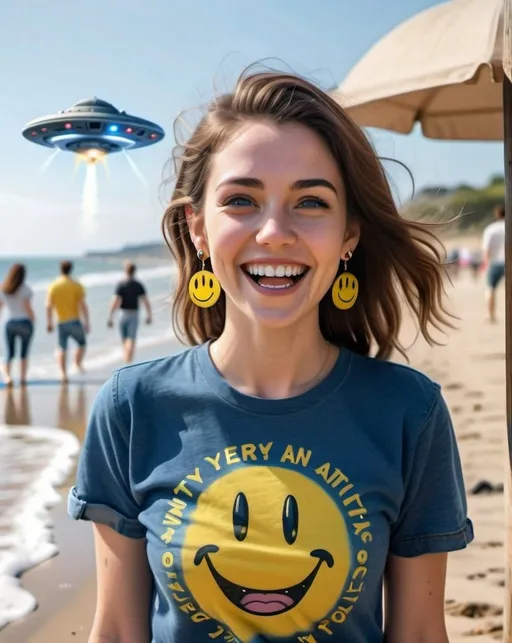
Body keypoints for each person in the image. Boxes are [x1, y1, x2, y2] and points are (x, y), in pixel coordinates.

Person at [68, 69, 473, 643]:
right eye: (241, 201)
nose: (275, 232)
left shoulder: (410, 413)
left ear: (349, 233)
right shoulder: (132, 407)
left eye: (311, 201)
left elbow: (421, 634)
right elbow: (114, 632)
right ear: (198, 227)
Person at [46, 260, 90, 382]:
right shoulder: (76, 285)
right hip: (75, 320)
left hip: (61, 322)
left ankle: (63, 373)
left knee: (62, 348)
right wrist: (87, 322)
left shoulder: (54, 285)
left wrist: (49, 322)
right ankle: (77, 363)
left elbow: (49, 305)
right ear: (71, 269)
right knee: (82, 344)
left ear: (60, 269)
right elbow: (83, 305)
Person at [107, 261, 152, 363]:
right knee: (131, 340)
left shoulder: (121, 284)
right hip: (134, 314)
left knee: (124, 340)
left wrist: (110, 316)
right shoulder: (138, 285)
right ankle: (128, 361)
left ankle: (126, 360)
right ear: (134, 271)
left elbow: (115, 302)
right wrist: (149, 315)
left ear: (125, 271)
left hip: (122, 314)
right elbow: (146, 301)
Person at [0, 263, 35, 386]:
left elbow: (0, 307)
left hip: (9, 322)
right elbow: (27, 307)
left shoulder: (3, 288)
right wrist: (33, 319)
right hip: (25, 321)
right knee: (24, 353)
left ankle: (7, 377)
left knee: (9, 352)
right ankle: (23, 378)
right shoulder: (26, 289)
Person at [482, 204, 505, 322]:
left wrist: (486, 264)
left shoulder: (491, 229)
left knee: (491, 289)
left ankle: (491, 315)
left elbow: (486, 249)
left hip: (495, 262)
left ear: (497, 214)